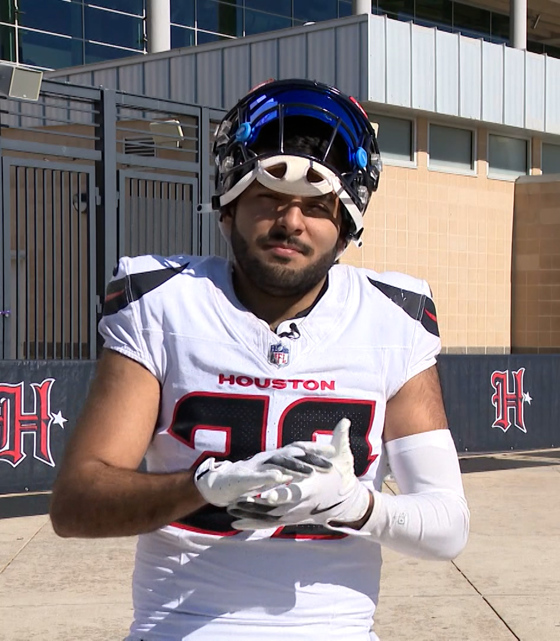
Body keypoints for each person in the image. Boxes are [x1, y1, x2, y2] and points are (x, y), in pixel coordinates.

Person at [48, 79, 470, 640]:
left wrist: (352, 505)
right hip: (181, 626)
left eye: (317, 206)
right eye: (269, 196)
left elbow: (447, 526)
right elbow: (76, 504)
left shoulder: (392, 318)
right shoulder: (163, 303)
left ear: (345, 227)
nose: (291, 221)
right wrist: (203, 485)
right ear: (228, 208)